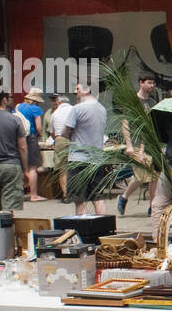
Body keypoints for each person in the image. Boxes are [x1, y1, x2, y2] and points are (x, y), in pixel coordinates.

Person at [59, 82, 108, 216]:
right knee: (98, 197)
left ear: (87, 90)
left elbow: (64, 131)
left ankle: (82, 231)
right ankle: (103, 230)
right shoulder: (102, 109)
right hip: (97, 158)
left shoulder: (77, 109)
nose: (76, 92)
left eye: (78, 88)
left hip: (78, 158)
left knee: (79, 200)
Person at [117, 73, 160, 215]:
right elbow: (125, 123)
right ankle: (123, 197)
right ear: (141, 83)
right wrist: (128, 145)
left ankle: (152, 206)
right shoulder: (133, 101)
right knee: (142, 174)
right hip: (136, 142)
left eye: (153, 83)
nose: (151, 85)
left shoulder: (153, 102)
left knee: (154, 175)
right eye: (149, 82)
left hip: (150, 144)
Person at [15, 87, 46, 201]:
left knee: (22, 167)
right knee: (32, 168)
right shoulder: (35, 109)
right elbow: (38, 127)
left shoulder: (18, 106)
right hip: (31, 138)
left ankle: (20, 192)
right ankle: (34, 195)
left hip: (18, 138)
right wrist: (41, 135)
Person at [49, 93, 73, 202]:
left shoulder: (55, 113)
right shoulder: (74, 110)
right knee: (76, 166)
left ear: (59, 102)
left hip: (60, 140)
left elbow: (52, 133)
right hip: (75, 139)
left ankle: (66, 194)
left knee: (63, 169)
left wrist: (57, 140)